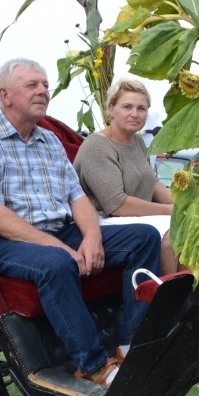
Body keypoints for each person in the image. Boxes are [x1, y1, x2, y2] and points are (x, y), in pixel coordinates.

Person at [0, 58, 162, 387]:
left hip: (61, 230)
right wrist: (63, 247)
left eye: (46, 85)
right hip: (6, 241)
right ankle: (93, 364)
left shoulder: (48, 141)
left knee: (144, 237)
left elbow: (77, 198)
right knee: (57, 262)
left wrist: (91, 238)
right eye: (33, 85)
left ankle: (131, 343)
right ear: (5, 95)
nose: (43, 91)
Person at [73, 78, 180, 275]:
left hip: (138, 217)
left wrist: (183, 208)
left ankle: (190, 297)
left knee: (189, 224)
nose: (135, 114)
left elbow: (152, 182)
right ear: (111, 110)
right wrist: (169, 211)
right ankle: (166, 299)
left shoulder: (137, 141)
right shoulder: (96, 146)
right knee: (173, 232)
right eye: (127, 107)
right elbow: (117, 204)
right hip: (103, 220)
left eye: (141, 108)